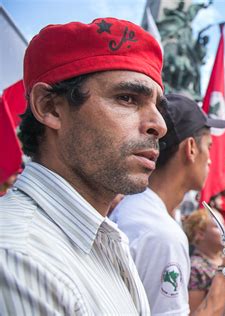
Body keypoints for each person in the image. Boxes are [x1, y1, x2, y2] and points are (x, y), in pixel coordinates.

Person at [0, 18, 167, 314]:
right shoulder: (18, 260)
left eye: (157, 106)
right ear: (50, 107)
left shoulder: (107, 237)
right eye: (127, 98)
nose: (159, 125)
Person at [112, 93, 225, 315]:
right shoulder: (160, 233)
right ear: (191, 148)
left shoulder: (141, 210)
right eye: (209, 147)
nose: (210, 159)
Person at [183, 208, 225, 313]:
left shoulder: (224, 258)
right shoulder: (195, 268)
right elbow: (195, 311)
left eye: (224, 225)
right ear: (200, 234)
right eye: (218, 226)